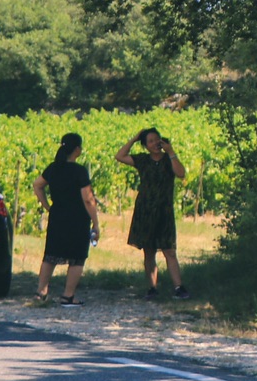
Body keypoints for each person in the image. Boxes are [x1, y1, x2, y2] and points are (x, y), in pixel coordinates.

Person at [115, 127, 188, 300]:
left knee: (169, 250)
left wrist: (171, 152)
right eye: (150, 141)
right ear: (145, 146)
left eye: (157, 139)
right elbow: (120, 156)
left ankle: (178, 287)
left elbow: (181, 173)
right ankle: (152, 287)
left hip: (164, 211)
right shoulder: (142, 160)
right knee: (149, 251)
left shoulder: (168, 160)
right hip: (145, 210)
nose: (155, 143)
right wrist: (134, 138)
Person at [34, 133, 100, 305]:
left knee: (51, 255)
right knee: (77, 257)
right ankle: (68, 295)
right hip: (78, 218)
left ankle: (41, 292)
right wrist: (96, 223)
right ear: (77, 149)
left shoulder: (53, 168)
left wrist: (47, 206)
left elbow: (37, 185)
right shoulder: (79, 171)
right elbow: (88, 198)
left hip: (57, 216)